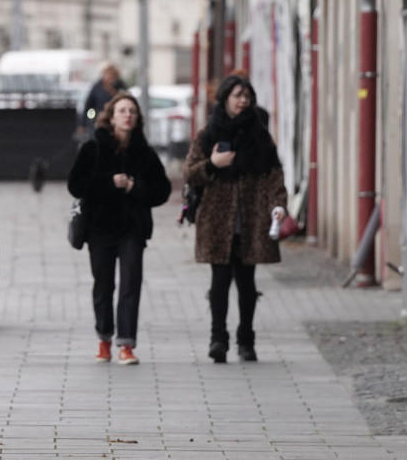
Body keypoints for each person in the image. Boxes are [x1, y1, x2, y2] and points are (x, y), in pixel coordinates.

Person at [183, 73, 286, 364]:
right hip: (217, 219)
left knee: (247, 283)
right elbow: (189, 172)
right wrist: (212, 164)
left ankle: (246, 339)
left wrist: (278, 205)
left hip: (251, 219)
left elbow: (273, 175)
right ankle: (218, 338)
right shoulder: (209, 133)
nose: (243, 101)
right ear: (225, 98)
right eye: (237, 95)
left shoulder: (259, 133)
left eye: (247, 96)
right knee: (219, 281)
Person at [66, 92, 171, 365]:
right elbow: (76, 185)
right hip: (100, 229)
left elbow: (163, 191)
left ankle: (126, 344)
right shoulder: (93, 148)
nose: (128, 115)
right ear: (111, 118)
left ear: (137, 119)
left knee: (130, 285)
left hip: (132, 229)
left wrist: (136, 188)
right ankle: (103, 338)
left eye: (132, 112)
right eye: (122, 111)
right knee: (103, 285)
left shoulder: (145, 154)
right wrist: (109, 182)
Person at [83, 64, 129, 131]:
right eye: (108, 74)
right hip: (99, 120)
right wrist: (87, 121)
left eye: (112, 75)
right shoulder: (97, 87)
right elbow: (89, 105)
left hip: (116, 120)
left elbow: (126, 101)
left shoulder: (120, 86)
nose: (110, 77)